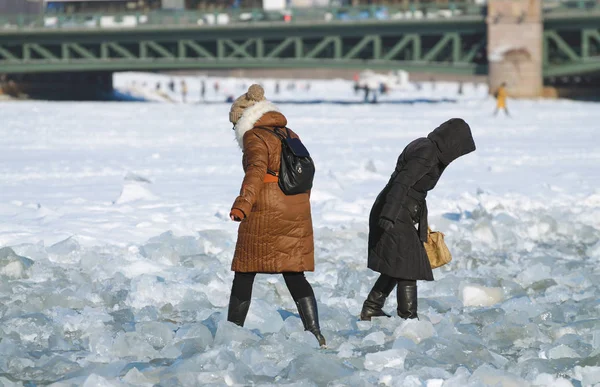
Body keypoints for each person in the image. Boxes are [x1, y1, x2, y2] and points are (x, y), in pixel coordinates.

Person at [227, 84, 326, 347]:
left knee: (244, 271)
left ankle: (231, 333)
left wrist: (242, 204)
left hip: (266, 207)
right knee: (294, 271)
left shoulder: (254, 137)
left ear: (242, 118)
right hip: (295, 205)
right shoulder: (288, 132)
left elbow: (256, 171)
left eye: (233, 124)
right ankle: (315, 332)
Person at [360, 118, 476, 321]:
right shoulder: (427, 152)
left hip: (400, 209)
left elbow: (415, 191)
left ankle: (372, 307)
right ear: (453, 142)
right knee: (409, 265)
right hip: (395, 210)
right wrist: (389, 213)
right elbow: (402, 183)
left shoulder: (427, 146)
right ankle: (408, 318)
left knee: (399, 262)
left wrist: (420, 222)